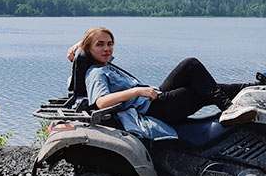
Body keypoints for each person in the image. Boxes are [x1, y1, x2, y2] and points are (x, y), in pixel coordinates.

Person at [67, 27, 243, 140]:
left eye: (110, 44)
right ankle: (228, 108)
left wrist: (80, 46)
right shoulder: (96, 73)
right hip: (154, 108)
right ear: (90, 49)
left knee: (195, 73)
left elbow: (90, 49)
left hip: (155, 96)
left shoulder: (106, 64)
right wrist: (137, 92)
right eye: (100, 45)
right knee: (199, 85)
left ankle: (251, 87)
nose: (107, 48)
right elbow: (101, 102)